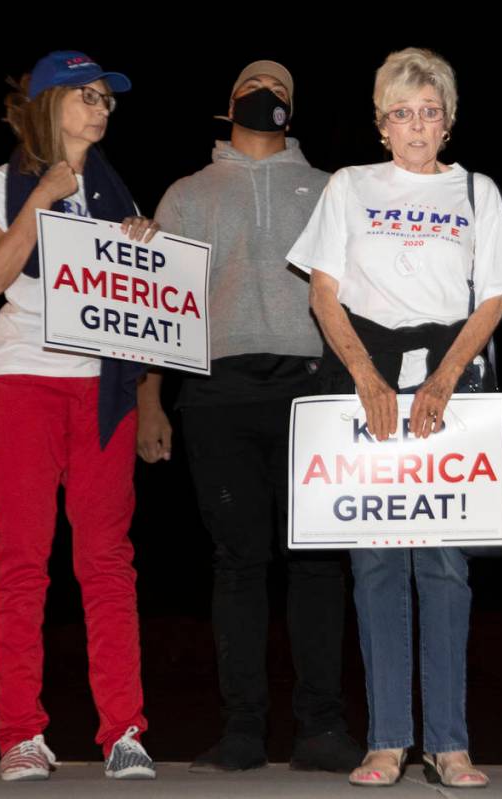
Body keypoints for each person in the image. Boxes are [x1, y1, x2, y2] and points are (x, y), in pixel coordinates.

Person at [286, 47, 502, 788]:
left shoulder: (477, 191)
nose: (416, 124)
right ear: (381, 124)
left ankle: (449, 742)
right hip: (365, 374)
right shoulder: (350, 187)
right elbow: (323, 292)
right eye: (402, 111)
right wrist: (364, 374)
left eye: (430, 111)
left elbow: (493, 296)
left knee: (445, 565)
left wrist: (448, 379)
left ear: (448, 123)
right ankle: (387, 739)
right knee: (376, 563)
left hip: (451, 376)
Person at [136, 60, 361, 774]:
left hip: (312, 390)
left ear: (293, 111)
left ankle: (321, 726)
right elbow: (153, 311)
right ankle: (241, 730)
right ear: (229, 103)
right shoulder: (187, 193)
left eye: (284, 89)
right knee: (238, 562)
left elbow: (360, 296)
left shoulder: (330, 189)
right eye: (257, 85)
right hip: (216, 394)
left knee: (320, 563)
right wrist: (149, 400)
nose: (270, 93)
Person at [0, 50, 157, 782]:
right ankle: (21, 731)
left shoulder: (117, 192)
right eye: (87, 95)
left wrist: (142, 250)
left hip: (99, 391)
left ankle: (124, 730)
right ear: (48, 102)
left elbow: (141, 311)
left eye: (108, 97)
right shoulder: (6, 180)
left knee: (108, 562)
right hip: (23, 383)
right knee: (22, 560)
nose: (103, 106)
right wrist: (44, 194)